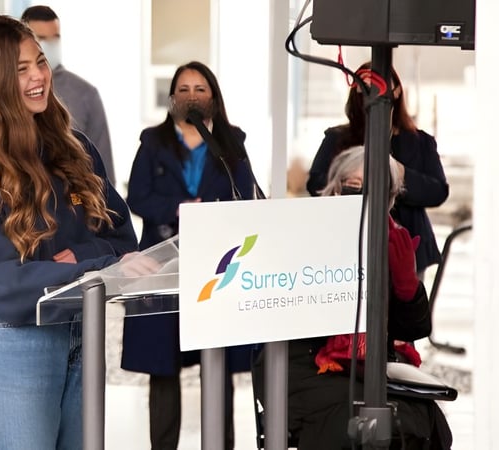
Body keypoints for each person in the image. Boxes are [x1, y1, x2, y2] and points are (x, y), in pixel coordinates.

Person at [0, 15, 138, 449]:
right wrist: (83, 265)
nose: (38, 77)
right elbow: (0, 282)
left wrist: (70, 263)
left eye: (40, 62)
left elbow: (123, 241)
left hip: (81, 329)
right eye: (20, 69)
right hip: (14, 343)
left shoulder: (75, 149)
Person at [255, 146, 452, 450]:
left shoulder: (391, 238)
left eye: (373, 188)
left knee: (424, 420)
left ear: (389, 197)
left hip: (366, 367)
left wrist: (406, 285)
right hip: (301, 365)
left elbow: (415, 329)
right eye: (353, 186)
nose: (361, 196)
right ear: (335, 188)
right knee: (352, 424)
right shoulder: (302, 231)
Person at [120, 61, 264, 450]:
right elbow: (137, 196)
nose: (192, 96)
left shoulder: (232, 141)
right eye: (183, 89)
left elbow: (244, 196)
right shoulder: (152, 141)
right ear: (171, 99)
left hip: (218, 267)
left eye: (200, 89)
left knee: (217, 367)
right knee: (162, 366)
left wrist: (210, 212)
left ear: (213, 98)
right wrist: (179, 208)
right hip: (163, 265)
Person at [306, 62, 449, 279]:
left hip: (408, 246)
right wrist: (342, 183)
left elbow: (438, 191)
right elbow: (315, 182)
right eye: (366, 87)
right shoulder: (337, 138)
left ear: (397, 90)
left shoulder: (421, 142)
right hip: (350, 242)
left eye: (381, 87)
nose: (374, 94)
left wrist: (402, 174)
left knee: (406, 308)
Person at [21, 5, 117, 185]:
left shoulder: (86, 94)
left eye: (54, 38)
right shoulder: (7, 91)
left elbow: (104, 171)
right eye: (40, 39)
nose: (48, 45)